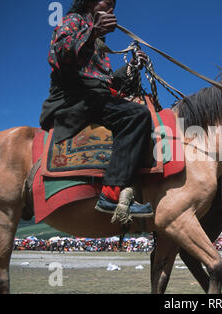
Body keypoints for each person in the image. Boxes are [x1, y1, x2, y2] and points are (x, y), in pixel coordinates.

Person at [39, 0, 153, 219]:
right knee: (136, 115)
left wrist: (132, 66)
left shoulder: (97, 42)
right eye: (106, 2)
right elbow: (59, 55)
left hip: (93, 98)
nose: (111, 7)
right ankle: (110, 196)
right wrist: (92, 33)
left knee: (141, 105)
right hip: (73, 100)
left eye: (114, 5)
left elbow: (105, 83)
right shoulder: (73, 21)